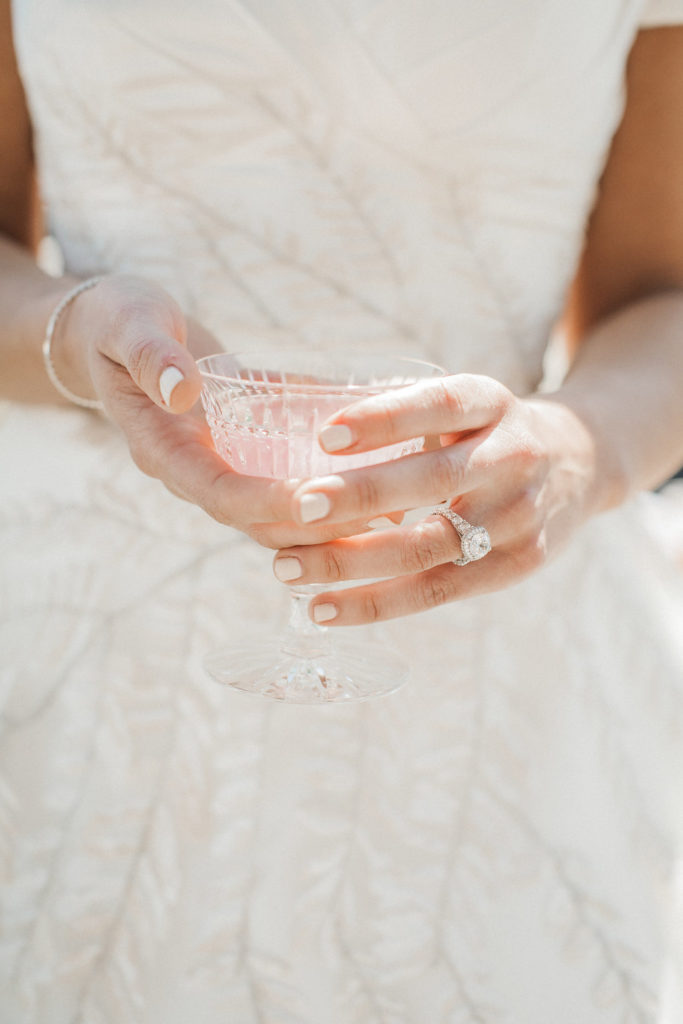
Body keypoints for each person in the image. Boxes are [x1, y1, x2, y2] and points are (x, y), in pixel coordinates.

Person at [1, 1, 683, 1021]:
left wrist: (580, 449)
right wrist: (76, 332)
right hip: (73, 625)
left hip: (490, 598)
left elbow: (657, 290)